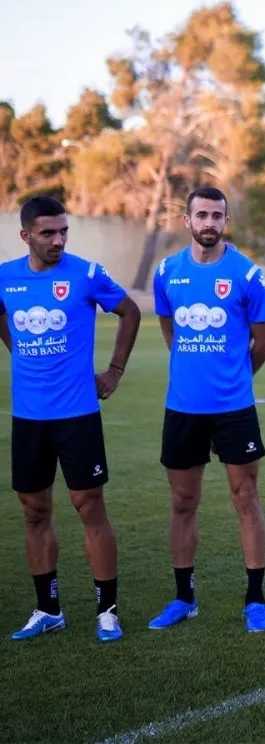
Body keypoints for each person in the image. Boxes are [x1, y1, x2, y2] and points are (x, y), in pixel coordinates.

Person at [0, 195, 141, 642]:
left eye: (63, 231)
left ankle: (107, 611)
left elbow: (130, 311)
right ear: (26, 235)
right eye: (48, 233)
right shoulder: (5, 277)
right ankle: (48, 610)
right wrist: (19, 350)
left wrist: (114, 371)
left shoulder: (86, 274)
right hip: (29, 417)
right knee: (34, 510)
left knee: (89, 507)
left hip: (78, 414)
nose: (58, 240)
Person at [148, 186, 265, 634]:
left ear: (225, 221)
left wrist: (235, 377)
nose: (209, 223)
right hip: (183, 407)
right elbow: (170, 330)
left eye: (217, 215)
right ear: (187, 220)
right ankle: (184, 598)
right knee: (183, 502)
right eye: (201, 215)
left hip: (234, 408)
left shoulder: (246, 274)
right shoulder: (166, 271)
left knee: (246, 498)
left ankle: (255, 599)